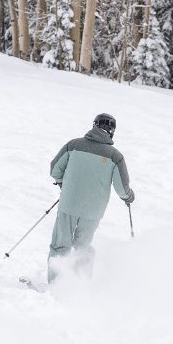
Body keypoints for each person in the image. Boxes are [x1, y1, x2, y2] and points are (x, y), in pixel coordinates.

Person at [48, 113, 133, 283]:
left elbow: (54, 170)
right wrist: (129, 197)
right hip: (93, 210)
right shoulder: (115, 156)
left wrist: (63, 184)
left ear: (94, 125)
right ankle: (81, 287)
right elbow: (122, 189)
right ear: (112, 132)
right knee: (82, 247)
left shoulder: (73, 145)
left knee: (60, 245)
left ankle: (55, 286)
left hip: (69, 204)